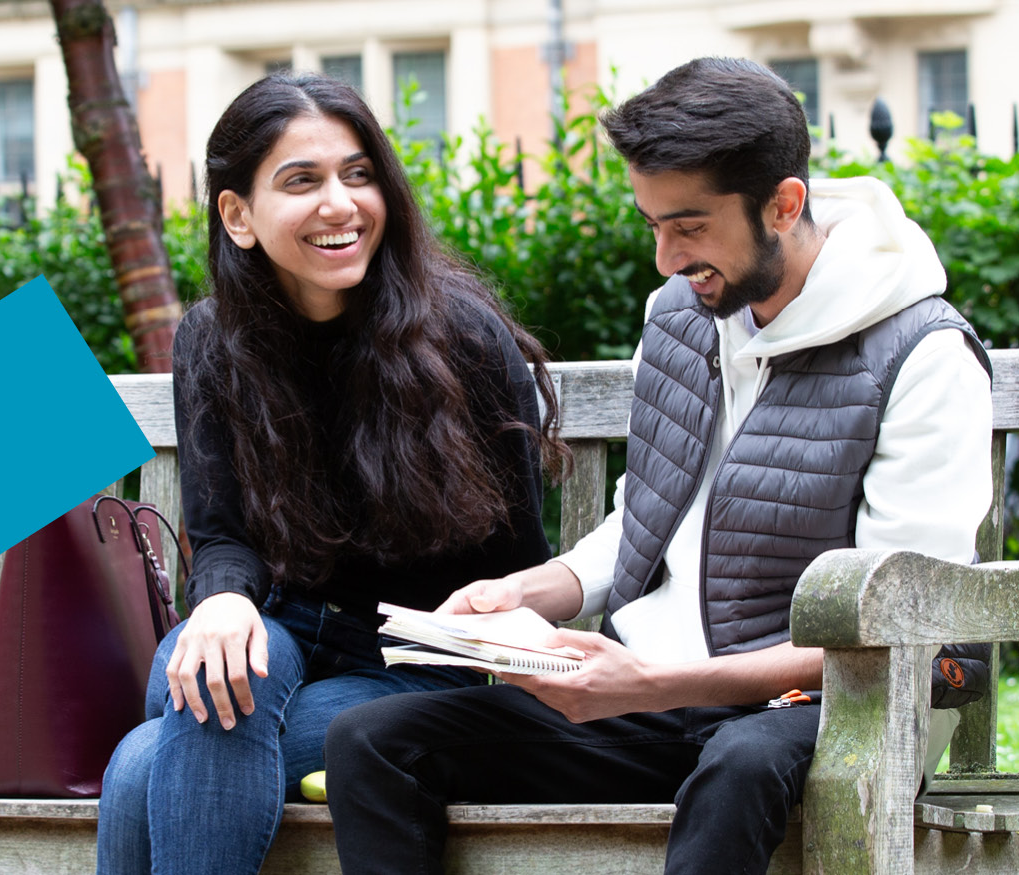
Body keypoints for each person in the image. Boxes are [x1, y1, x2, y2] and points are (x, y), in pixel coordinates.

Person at [323, 56, 995, 875]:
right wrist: (531, 590)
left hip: (822, 708)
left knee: (739, 767)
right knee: (374, 740)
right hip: (653, 704)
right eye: (652, 226)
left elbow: (896, 625)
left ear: (784, 204)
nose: (665, 259)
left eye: (689, 227)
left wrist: (654, 681)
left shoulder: (922, 354)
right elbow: (649, 514)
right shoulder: (679, 316)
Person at [94, 72, 568, 875]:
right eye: (301, 181)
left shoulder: (462, 340)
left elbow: (517, 564)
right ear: (238, 216)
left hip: (413, 665)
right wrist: (220, 602)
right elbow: (221, 534)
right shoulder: (213, 341)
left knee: (147, 761)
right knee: (214, 674)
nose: (341, 203)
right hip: (277, 632)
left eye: (358, 173)